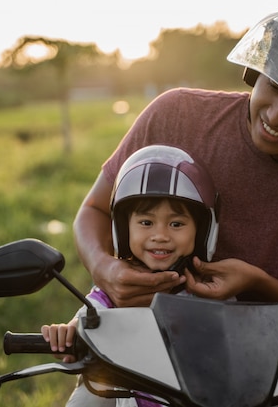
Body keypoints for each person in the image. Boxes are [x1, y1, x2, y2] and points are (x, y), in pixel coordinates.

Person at [72, 0, 278, 332]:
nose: (277, 116)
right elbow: (95, 210)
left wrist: (258, 284)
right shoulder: (177, 115)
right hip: (142, 346)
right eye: (276, 86)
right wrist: (105, 270)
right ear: (256, 70)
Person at [42, 145, 220, 407]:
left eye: (176, 224)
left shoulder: (211, 289)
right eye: (146, 223)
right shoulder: (116, 291)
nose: (160, 235)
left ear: (203, 230)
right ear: (123, 230)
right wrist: (68, 333)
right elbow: (90, 318)